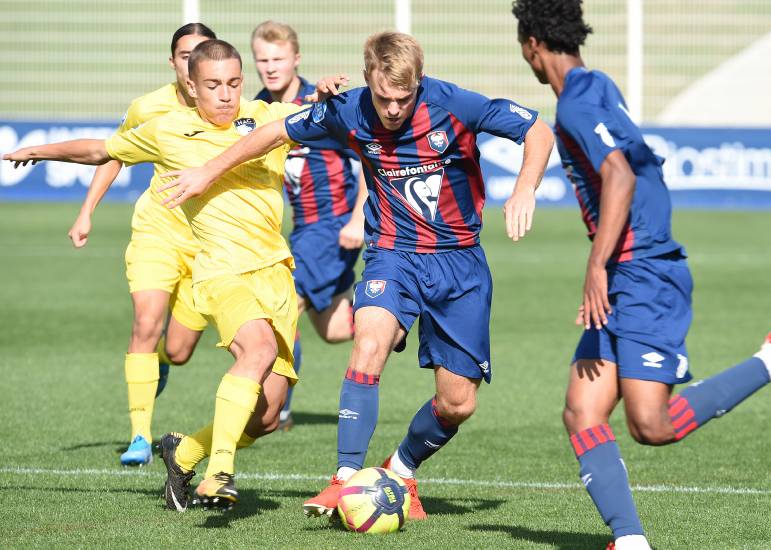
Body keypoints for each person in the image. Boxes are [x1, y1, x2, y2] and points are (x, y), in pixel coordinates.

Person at [153, 31, 555, 520]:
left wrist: (525, 189)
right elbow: (275, 132)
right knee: (367, 344)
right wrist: (209, 170)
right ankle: (343, 479)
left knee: (457, 404)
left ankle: (402, 468)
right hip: (392, 254)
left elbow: (537, 130)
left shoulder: (454, 104)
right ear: (368, 80)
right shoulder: (349, 110)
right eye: (384, 97)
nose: (392, 109)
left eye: (403, 99)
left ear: (419, 82)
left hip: (459, 263)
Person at [510, 2, 771, 549]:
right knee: (582, 410)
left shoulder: (575, 104)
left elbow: (619, 175)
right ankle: (630, 540)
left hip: (640, 272)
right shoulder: (596, 85)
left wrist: (597, 265)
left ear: (530, 44)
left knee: (652, 425)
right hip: (629, 271)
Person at [4, 39, 308, 511]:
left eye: (233, 83)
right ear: (191, 84)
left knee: (265, 417)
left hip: (276, 274)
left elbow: (328, 118)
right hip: (222, 271)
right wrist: (41, 150)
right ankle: (219, 471)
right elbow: (101, 150)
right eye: (213, 85)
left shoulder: (266, 117)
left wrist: (329, 95)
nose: (226, 95)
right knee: (258, 349)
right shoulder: (166, 129)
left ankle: (182, 453)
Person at [65, 23, 216, 467]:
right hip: (157, 233)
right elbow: (112, 153)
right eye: (184, 55)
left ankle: (164, 362)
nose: (191, 62)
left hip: (207, 244)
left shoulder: (233, 108)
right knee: (145, 324)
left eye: (200, 53)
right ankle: (139, 436)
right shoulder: (147, 107)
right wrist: (86, 210)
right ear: (173, 62)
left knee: (180, 349)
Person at [250, 20, 366, 430]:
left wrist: (358, 218)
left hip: (332, 226)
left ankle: (277, 407)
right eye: (262, 59)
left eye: (278, 59)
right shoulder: (261, 105)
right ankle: (395, 315)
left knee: (280, 308)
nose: (270, 66)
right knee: (335, 328)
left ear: (296, 59)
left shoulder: (323, 103)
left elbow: (370, 153)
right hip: (302, 229)